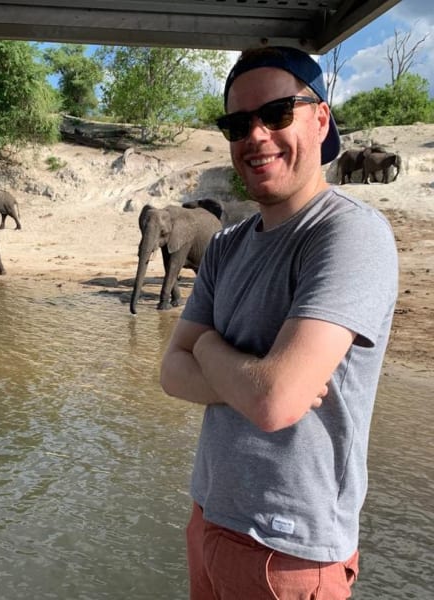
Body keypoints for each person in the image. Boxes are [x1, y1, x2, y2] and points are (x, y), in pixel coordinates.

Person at [160, 46, 398, 599]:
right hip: (209, 516)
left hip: (289, 553)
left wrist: (211, 350)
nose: (257, 135)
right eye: (238, 123)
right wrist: (252, 375)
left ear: (320, 119)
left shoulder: (349, 235)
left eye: (277, 114)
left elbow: (275, 403)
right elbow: (171, 373)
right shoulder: (222, 246)